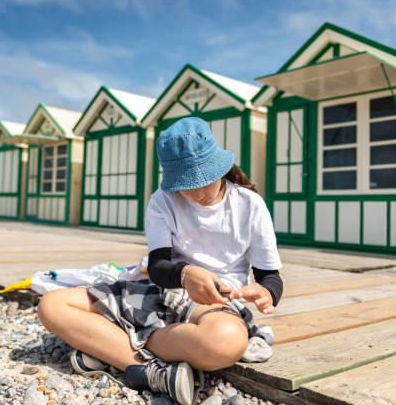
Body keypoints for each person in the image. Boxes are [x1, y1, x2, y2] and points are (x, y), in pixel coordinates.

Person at [37, 117, 283, 405]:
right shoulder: (163, 200)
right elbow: (158, 267)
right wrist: (186, 274)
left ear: (221, 166)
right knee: (51, 305)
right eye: (188, 185)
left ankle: (112, 350)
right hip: (159, 290)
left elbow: (270, 277)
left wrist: (267, 293)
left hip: (214, 301)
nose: (199, 192)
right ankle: (150, 371)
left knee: (226, 340)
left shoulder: (249, 204)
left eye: (206, 180)